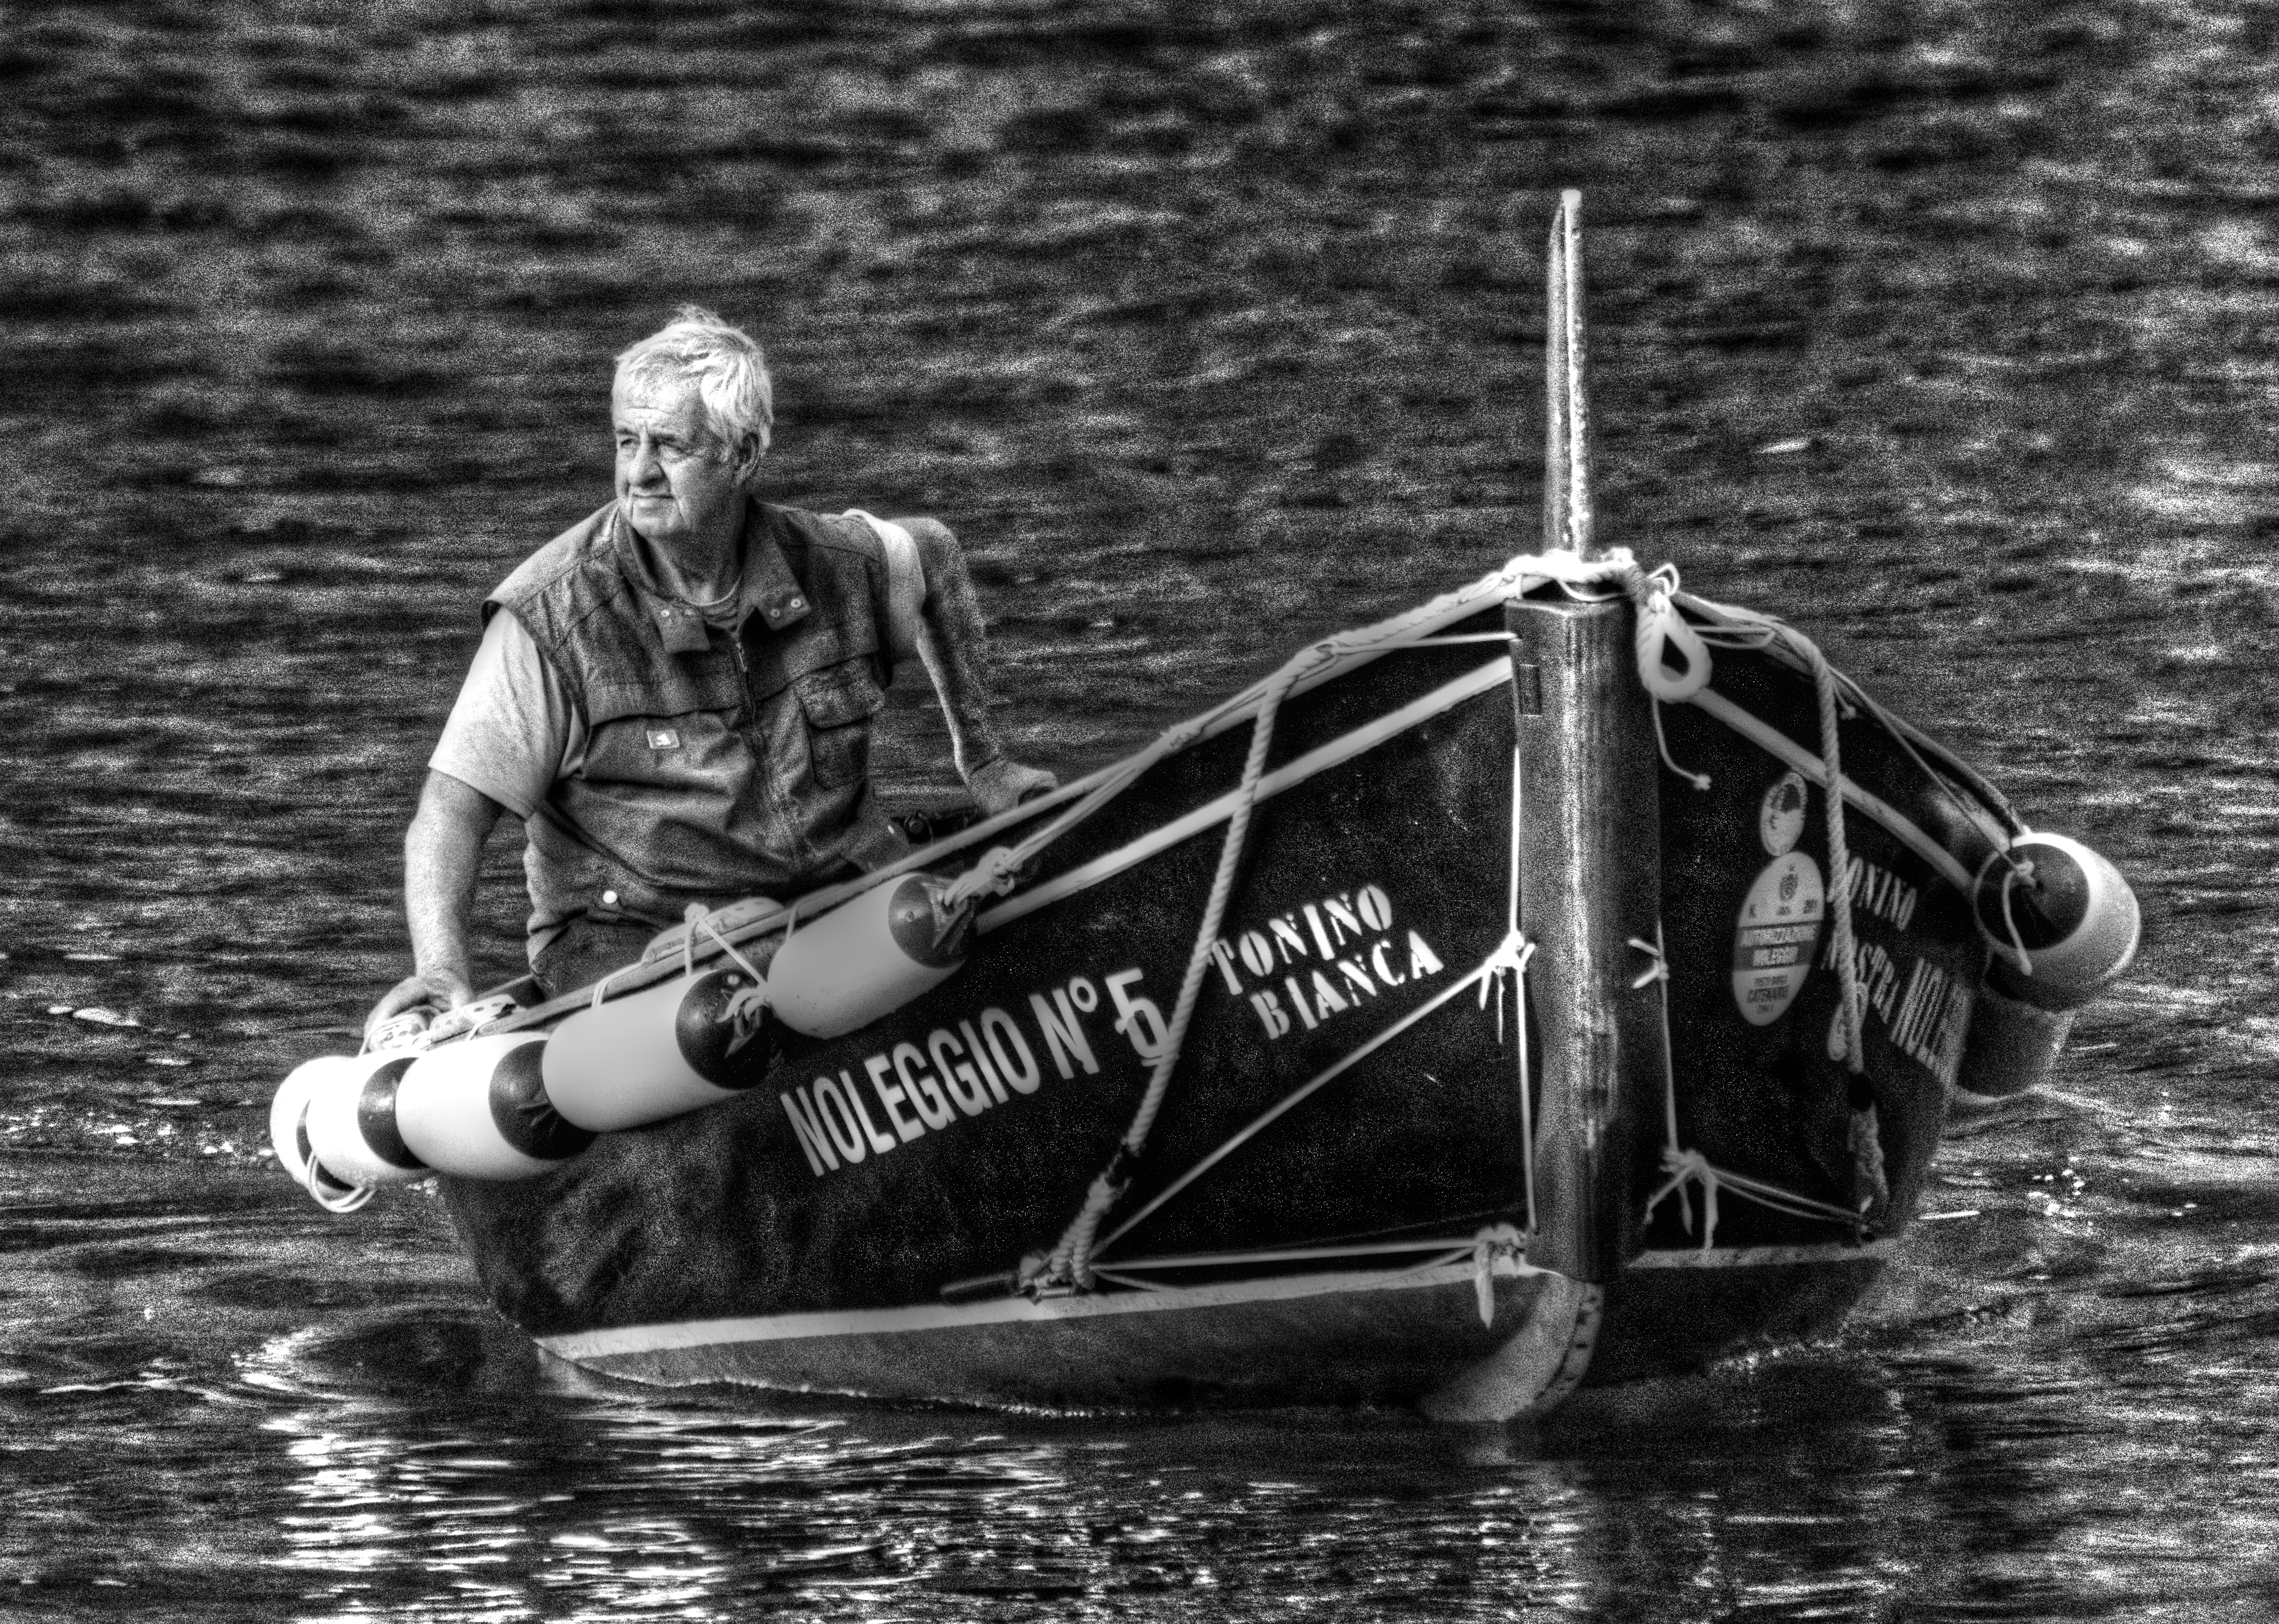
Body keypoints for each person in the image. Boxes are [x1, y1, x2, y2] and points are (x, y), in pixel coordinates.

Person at [365, 308, 1054, 1035]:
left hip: (833, 906)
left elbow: (934, 552)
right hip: (630, 951)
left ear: (745, 453)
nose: (638, 472)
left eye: (670, 446)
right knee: (751, 952)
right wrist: (442, 972)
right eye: (626, 441)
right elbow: (451, 811)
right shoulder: (551, 618)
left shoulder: (840, 565)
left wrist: (984, 761)